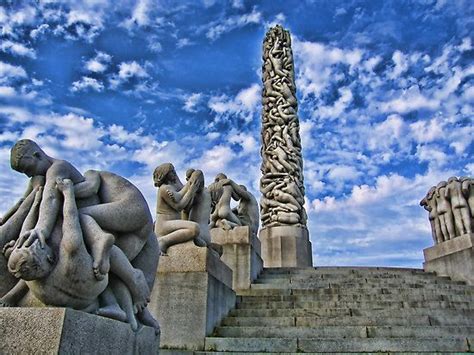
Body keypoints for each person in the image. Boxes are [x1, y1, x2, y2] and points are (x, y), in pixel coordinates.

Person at [153, 163, 200, 254]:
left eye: (174, 171)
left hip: (173, 224)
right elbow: (179, 207)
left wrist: (191, 185)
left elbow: (181, 193)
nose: (174, 173)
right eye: (172, 172)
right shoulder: (164, 189)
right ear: (165, 175)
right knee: (195, 228)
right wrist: (191, 191)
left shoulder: (172, 187)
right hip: (164, 225)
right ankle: (163, 241)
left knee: (200, 241)